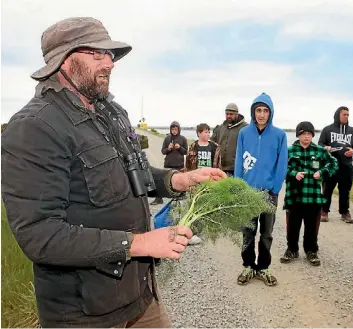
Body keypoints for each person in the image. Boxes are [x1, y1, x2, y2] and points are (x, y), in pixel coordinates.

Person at [1, 17, 227, 328]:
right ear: (64, 60)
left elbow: (133, 172)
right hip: (84, 314)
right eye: (98, 54)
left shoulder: (111, 111)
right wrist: (141, 244)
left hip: (140, 296)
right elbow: (40, 236)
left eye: (111, 55)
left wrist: (179, 180)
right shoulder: (35, 127)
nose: (109, 62)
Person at [234, 92, 288, 286]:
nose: (262, 114)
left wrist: (274, 188)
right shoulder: (244, 133)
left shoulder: (279, 135)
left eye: (266, 110)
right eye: (258, 110)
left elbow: (282, 164)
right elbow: (239, 160)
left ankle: (263, 268)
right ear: (253, 111)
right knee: (248, 232)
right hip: (248, 193)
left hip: (268, 194)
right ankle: (248, 266)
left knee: (266, 233)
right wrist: (239, 187)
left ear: (271, 112)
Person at [280, 122, 338, 266]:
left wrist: (322, 172)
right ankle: (292, 249)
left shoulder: (320, 151)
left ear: (312, 135)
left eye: (309, 134)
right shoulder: (289, 150)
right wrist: (293, 173)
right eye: (303, 134)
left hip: (313, 196)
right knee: (293, 225)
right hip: (295, 195)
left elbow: (333, 163)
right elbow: (280, 167)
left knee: (311, 226)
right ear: (298, 135)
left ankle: (311, 251)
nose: (306, 137)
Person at [318, 106, 353, 223]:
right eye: (344, 114)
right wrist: (325, 147)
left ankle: (344, 212)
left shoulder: (352, 131)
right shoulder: (327, 129)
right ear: (338, 115)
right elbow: (320, 143)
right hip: (330, 165)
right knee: (327, 189)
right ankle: (324, 211)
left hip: (346, 166)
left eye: (348, 115)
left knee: (345, 191)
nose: (346, 117)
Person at [185, 123, 221, 244]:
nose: (208, 134)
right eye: (205, 132)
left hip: (210, 180)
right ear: (199, 133)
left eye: (208, 132)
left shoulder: (215, 147)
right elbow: (188, 165)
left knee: (209, 204)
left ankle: (206, 228)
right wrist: (188, 179)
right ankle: (194, 229)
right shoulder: (193, 146)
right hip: (197, 179)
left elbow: (218, 165)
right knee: (195, 204)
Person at [150, 121, 188, 205]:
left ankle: (181, 194)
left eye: (176, 129)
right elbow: (163, 151)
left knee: (180, 180)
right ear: (170, 130)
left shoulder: (183, 139)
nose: (174, 131)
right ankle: (158, 198)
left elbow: (186, 152)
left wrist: (180, 148)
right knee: (161, 180)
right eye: (173, 129)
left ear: (179, 130)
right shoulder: (167, 139)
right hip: (168, 163)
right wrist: (168, 148)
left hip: (179, 164)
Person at [211, 103, 247, 176]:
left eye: (231, 114)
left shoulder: (245, 128)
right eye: (227, 114)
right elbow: (212, 144)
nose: (228, 116)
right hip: (220, 167)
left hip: (236, 168)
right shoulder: (220, 128)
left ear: (237, 114)